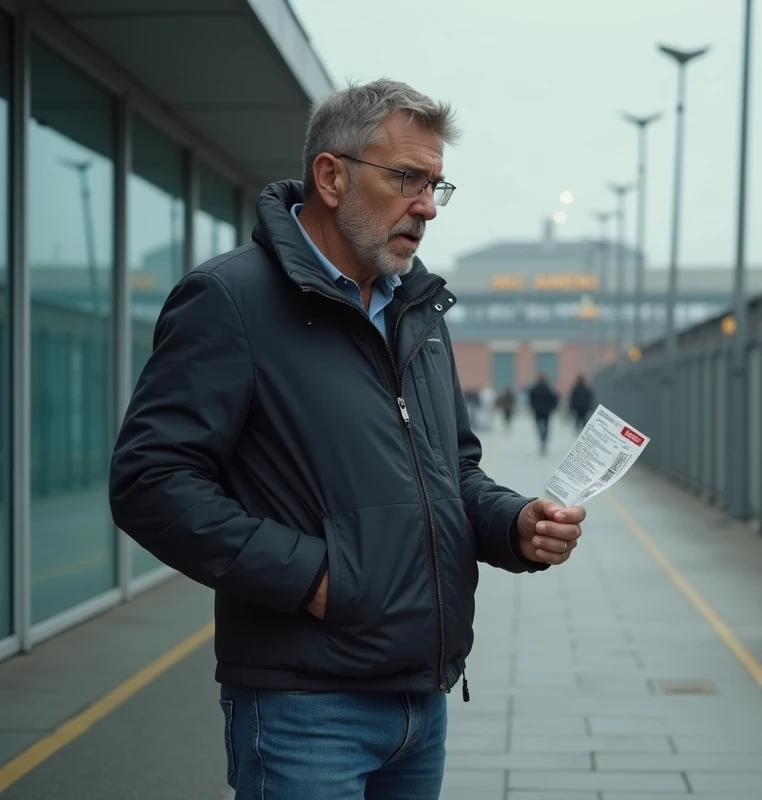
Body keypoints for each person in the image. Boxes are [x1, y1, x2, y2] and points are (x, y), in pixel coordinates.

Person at [108, 79, 585, 800]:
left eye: (435, 185)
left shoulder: (418, 312)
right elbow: (150, 483)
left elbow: (453, 471)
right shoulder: (230, 300)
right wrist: (313, 579)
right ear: (331, 176)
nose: (426, 206)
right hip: (304, 710)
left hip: (421, 703)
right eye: (406, 179)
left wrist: (515, 526)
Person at [527, 373, 559, 455]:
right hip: (547, 411)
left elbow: (530, 400)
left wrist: (532, 407)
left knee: (538, 425)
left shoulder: (534, 389)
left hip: (537, 410)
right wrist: (553, 408)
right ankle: (544, 439)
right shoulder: (548, 389)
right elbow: (555, 399)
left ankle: (542, 437)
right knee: (546, 425)